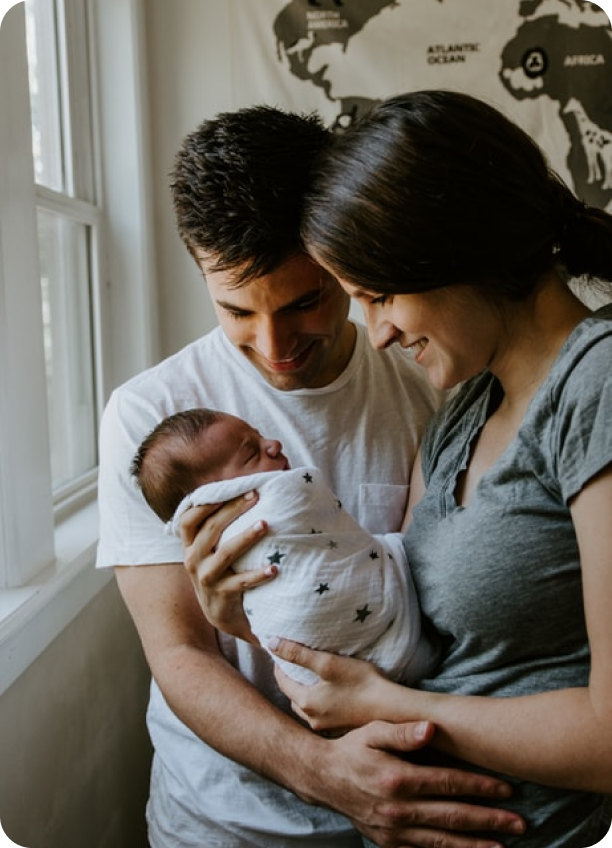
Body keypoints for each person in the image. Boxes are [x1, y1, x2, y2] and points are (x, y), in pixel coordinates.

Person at [95, 103, 528, 848]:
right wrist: (325, 774)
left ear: (342, 252)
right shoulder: (152, 418)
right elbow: (179, 653)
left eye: (306, 301)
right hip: (220, 822)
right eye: (237, 310)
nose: (274, 345)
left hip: (406, 804)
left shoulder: (431, 376)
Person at [205, 90, 612, 847]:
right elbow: (405, 624)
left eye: (381, 295)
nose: (380, 333)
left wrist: (382, 709)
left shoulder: (598, 385)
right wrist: (257, 615)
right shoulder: (463, 408)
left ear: (457, 250)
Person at [131, 406, 439, 687]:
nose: (273, 443)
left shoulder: (420, 396)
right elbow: (179, 654)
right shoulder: (140, 407)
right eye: (251, 454)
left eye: (259, 435)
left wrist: (239, 625)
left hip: (347, 679)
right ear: (219, 496)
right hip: (289, 709)